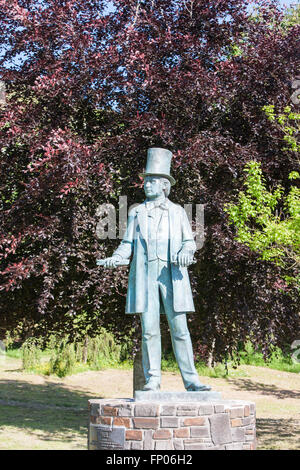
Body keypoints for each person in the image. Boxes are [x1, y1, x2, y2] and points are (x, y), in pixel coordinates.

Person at [102, 148, 211, 392]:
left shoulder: (178, 212)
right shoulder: (136, 212)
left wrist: (186, 252)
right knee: (149, 331)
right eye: (145, 181)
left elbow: (189, 242)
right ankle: (153, 380)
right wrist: (116, 258)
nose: (146, 185)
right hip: (145, 276)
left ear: (164, 185)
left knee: (180, 330)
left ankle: (192, 381)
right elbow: (127, 244)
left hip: (172, 276)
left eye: (151, 181)